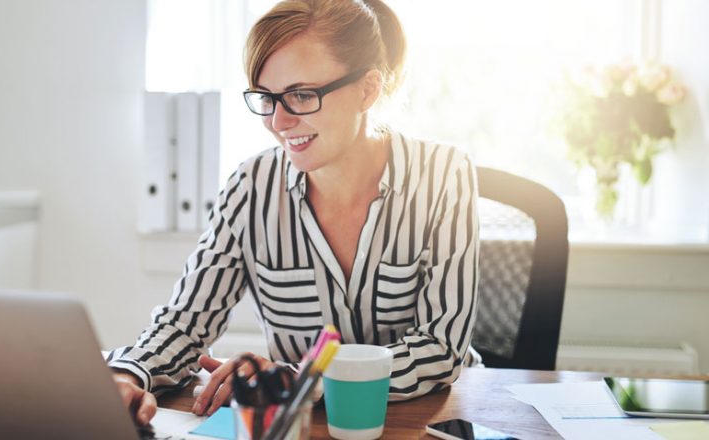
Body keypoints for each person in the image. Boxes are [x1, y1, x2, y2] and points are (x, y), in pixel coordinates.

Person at [109, 0, 479, 426]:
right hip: (300, 428)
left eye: (302, 95)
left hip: (424, 421)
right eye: (266, 98)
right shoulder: (251, 186)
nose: (278, 121)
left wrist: (303, 379)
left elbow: (440, 348)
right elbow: (185, 322)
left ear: (368, 89)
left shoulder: (444, 175)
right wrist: (126, 373)